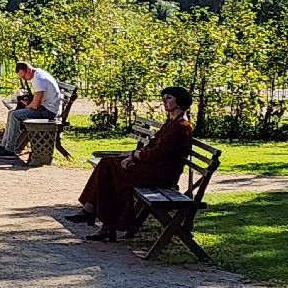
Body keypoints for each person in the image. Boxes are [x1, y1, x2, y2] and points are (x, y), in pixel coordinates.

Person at [68, 86, 194, 241]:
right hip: (152, 168)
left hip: (161, 174)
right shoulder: (171, 122)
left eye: (169, 98)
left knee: (110, 169)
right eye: (164, 97)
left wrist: (135, 155)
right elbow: (152, 146)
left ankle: (95, 215)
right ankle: (101, 220)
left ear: (179, 101)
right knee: (109, 167)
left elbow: (156, 154)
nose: (164, 101)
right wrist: (133, 157)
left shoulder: (181, 127)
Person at [0, 61, 62, 158]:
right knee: (12, 113)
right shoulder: (37, 75)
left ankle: (9, 149)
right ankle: (4, 146)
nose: (24, 79)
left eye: (23, 76)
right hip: (45, 108)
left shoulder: (39, 79)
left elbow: (35, 105)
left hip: (48, 112)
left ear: (28, 70)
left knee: (15, 115)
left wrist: (26, 107)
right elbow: (37, 100)